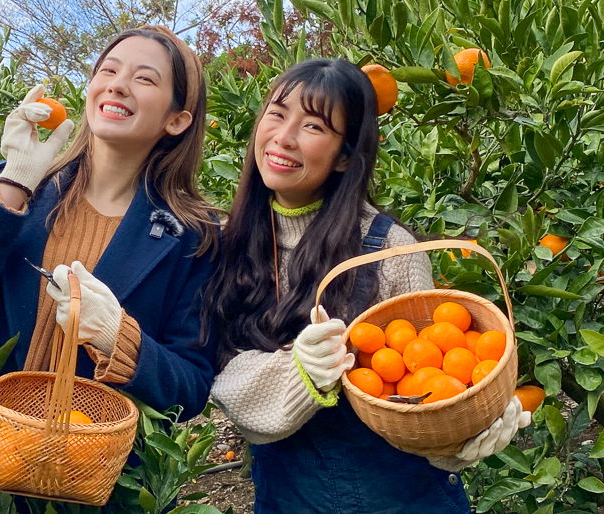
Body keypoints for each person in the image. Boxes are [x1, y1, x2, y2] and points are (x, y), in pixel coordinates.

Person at [200, 59, 530, 513]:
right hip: (287, 497)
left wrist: (456, 438)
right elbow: (218, 377)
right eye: (277, 114)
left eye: (313, 126)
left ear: (344, 157)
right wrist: (300, 374)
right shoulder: (224, 245)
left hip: (403, 498)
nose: (284, 136)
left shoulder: (389, 249)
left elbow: (426, 383)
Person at [0, 25, 220, 422]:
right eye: (108, 71)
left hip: (98, 470)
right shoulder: (20, 189)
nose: (118, 86)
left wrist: (118, 337)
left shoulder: (193, 236)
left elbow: (191, 389)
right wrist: (15, 183)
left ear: (177, 120)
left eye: (144, 78)